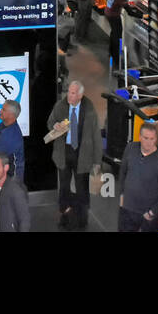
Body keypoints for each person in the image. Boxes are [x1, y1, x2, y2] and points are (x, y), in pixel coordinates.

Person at [46, 80, 100, 231]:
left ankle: (82, 219)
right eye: (69, 91)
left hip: (82, 154)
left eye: (73, 93)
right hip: (64, 152)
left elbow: (96, 134)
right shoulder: (60, 106)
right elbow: (50, 122)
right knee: (64, 187)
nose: (69, 95)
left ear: (80, 95)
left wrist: (97, 161)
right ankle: (64, 216)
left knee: (81, 187)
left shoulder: (89, 109)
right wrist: (55, 126)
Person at [118, 123, 158, 232]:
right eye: (146, 138)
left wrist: (152, 212)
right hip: (127, 209)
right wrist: (122, 196)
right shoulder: (130, 148)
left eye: (152, 139)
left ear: (156, 139)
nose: (149, 142)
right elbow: (123, 172)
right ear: (139, 137)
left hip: (147, 215)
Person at [104, 0, 132, 71]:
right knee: (118, 36)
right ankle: (116, 60)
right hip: (113, 15)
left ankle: (111, 53)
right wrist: (142, 16)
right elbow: (129, 10)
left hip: (108, 11)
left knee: (113, 33)